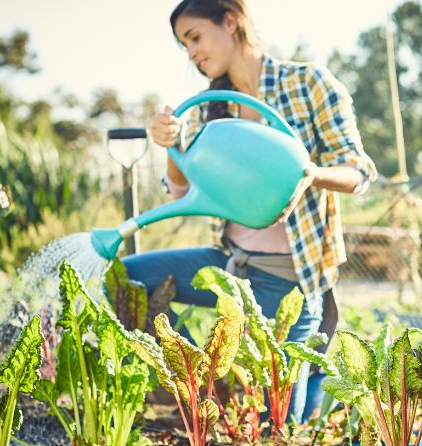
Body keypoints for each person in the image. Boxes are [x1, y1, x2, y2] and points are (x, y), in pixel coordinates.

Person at [126, 0, 376, 424]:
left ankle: (283, 401)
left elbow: (358, 173)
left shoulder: (309, 83)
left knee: (275, 426)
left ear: (230, 20)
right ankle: (207, 385)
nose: (191, 53)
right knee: (128, 279)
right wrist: (172, 146)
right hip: (227, 265)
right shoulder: (211, 105)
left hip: (289, 280)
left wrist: (311, 174)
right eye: (184, 45)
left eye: (194, 37)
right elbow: (183, 187)